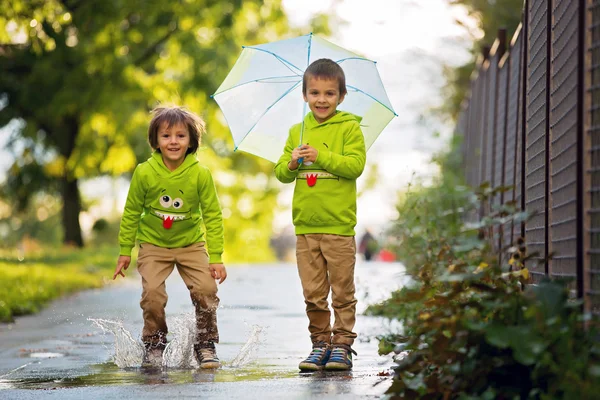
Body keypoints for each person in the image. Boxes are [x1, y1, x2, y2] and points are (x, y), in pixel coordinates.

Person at [113, 105, 227, 369]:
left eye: (180, 136)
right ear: (156, 140)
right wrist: (124, 250)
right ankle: (154, 343)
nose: (173, 141)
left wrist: (217, 256)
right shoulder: (144, 172)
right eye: (166, 136)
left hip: (191, 244)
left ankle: (205, 343)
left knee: (207, 290)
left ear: (191, 142)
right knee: (152, 294)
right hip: (154, 245)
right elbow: (131, 212)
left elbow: (213, 215)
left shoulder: (200, 174)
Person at [274, 58, 366, 371]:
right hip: (305, 227)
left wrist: (321, 155)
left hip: (338, 226)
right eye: (314, 93)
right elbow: (281, 174)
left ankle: (341, 344)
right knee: (313, 293)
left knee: (342, 290)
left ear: (341, 96)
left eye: (329, 93)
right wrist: (293, 162)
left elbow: (354, 166)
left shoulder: (350, 128)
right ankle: (320, 343)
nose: (321, 99)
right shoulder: (296, 132)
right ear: (304, 95)